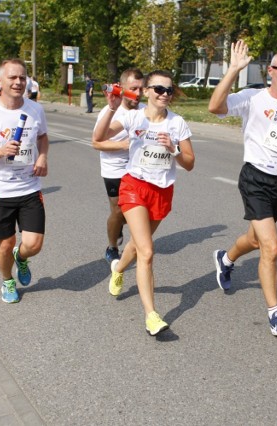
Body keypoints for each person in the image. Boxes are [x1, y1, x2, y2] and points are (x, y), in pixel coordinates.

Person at [208, 40, 277, 338]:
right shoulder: (253, 98)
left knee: (256, 241)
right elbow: (214, 106)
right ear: (270, 71)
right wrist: (233, 69)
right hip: (255, 179)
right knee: (271, 246)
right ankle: (276, 315)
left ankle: (226, 259)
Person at [93, 70, 195, 336]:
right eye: (158, 89)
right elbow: (99, 139)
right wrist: (110, 109)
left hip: (162, 191)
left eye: (168, 90)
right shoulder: (132, 117)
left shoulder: (177, 124)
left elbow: (190, 163)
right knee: (147, 251)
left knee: (137, 246)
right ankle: (151, 315)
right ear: (146, 91)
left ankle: (118, 268)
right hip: (134, 187)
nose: (163, 94)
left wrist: (174, 149)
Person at [0, 58, 49, 304]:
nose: (18, 82)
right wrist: (2, 151)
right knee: (4, 245)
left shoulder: (35, 110)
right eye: (13, 78)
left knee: (33, 244)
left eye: (22, 78)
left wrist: (43, 157)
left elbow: (43, 137)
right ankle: (7, 281)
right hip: (0, 189)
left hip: (29, 186)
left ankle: (22, 258)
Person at [92, 68, 145, 264]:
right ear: (122, 89)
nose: (137, 94)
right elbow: (96, 143)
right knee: (119, 211)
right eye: (133, 89)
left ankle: (137, 243)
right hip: (115, 168)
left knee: (140, 208)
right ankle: (113, 246)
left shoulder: (146, 110)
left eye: (141, 89)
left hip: (139, 168)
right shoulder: (109, 112)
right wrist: (123, 145)